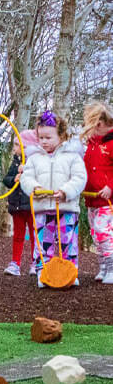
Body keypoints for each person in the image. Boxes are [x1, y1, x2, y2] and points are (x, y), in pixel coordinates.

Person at [18, 110, 86, 288]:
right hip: (42, 207)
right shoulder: (34, 158)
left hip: (67, 208)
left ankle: (70, 272)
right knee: (43, 242)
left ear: (61, 136)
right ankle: (44, 272)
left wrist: (65, 191)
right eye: (41, 137)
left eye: (48, 137)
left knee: (68, 241)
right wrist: (35, 188)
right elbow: (26, 177)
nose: (44, 141)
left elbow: (79, 178)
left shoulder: (72, 157)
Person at [81, 102, 113, 284]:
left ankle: (111, 267)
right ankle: (103, 266)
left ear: (99, 124)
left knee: (104, 231)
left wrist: (110, 186)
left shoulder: (111, 143)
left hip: (107, 201)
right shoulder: (92, 144)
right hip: (92, 199)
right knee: (96, 233)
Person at [3, 130, 40, 276]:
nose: (14, 148)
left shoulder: (36, 162)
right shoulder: (15, 161)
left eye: (17, 145)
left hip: (30, 206)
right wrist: (14, 178)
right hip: (17, 205)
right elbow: (6, 179)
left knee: (33, 234)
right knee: (18, 235)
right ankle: (15, 263)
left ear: (26, 147)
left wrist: (27, 172)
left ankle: (34, 262)